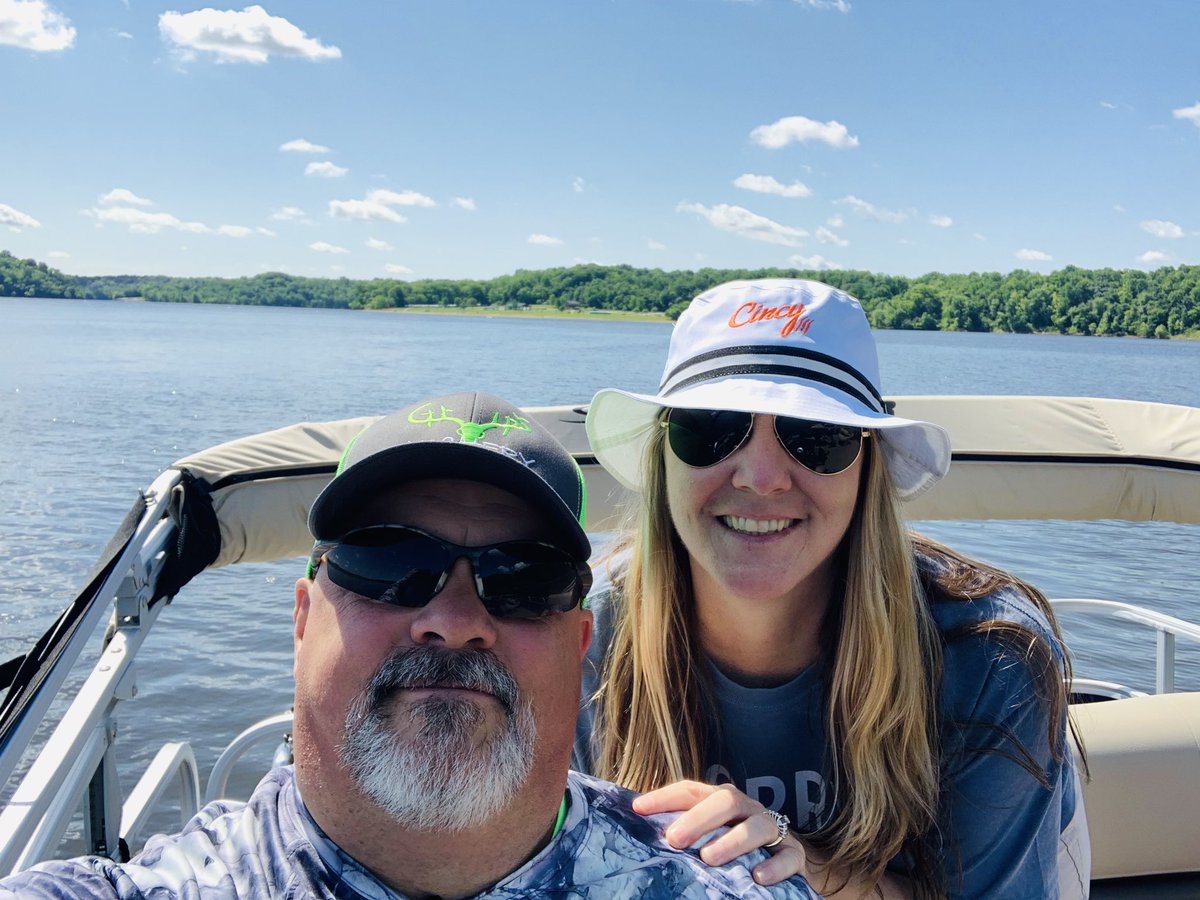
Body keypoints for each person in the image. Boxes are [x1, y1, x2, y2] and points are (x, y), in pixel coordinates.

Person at [1, 391, 820, 899]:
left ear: (580, 646)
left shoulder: (722, 888)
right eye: (390, 561)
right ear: (301, 619)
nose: (455, 617)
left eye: (523, 577)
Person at [577, 279, 1092, 899]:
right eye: (711, 428)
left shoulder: (989, 656)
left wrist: (799, 865)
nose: (762, 477)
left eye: (816, 435)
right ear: (664, 456)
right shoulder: (582, 636)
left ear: (867, 466)